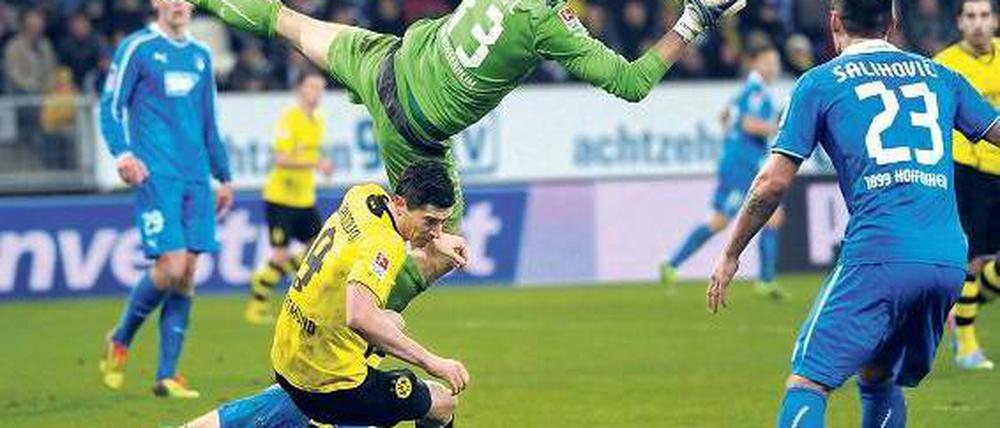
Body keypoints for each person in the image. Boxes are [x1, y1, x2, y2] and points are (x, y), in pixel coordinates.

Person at [185, 0, 748, 313]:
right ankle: (351, 328)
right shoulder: (548, 26)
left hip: (384, 58)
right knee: (437, 248)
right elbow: (631, 82)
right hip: (414, 130)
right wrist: (692, 20)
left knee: (286, 21)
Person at [705, 0, 1000, 426]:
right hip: (947, 262)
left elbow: (771, 184)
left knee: (808, 382)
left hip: (879, 255)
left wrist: (732, 252)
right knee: (880, 376)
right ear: (894, 22)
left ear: (835, 22)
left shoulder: (820, 84)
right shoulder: (942, 76)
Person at [185, 161, 469, 428]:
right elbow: (359, 317)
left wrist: (436, 239)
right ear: (400, 204)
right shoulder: (386, 246)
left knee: (393, 321)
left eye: (441, 223)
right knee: (443, 403)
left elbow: (377, 240)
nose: (436, 232)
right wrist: (433, 362)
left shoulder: (362, 195)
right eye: (430, 222)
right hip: (328, 385)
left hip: (287, 354)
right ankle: (327, 418)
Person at [98, 0, 233, 399]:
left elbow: (210, 120)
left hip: (196, 178)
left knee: (188, 272)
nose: (178, 4)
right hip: (157, 173)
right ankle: (121, 337)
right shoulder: (137, 47)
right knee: (171, 267)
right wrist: (122, 153)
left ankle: (167, 376)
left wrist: (222, 175)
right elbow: (111, 105)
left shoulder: (200, 55)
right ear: (156, 3)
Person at [660, 38, 786, 299]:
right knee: (720, 221)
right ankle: (671, 264)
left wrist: (733, 134)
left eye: (775, 62)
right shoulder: (756, 91)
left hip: (745, 159)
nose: (774, 67)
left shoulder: (747, 90)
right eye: (768, 62)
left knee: (774, 216)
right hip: (742, 163)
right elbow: (750, 124)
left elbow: (724, 117)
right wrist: (780, 128)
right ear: (754, 63)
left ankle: (765, 280)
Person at [933, 0, 1000, 371]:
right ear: (959, 23)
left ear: (995, 20)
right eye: (970, 16)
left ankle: (963, 305)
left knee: (988, 267)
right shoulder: (944, 64)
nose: (978, 23)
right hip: (967, 169)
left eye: (984, 15)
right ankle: (967, 345)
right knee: (973, 260)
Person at [245, 71, 334, 325]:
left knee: (318, 249)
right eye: (312, 87)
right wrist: (316, 163)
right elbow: (281, 159)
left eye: (320, 88)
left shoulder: (318, 121)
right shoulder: (290, 118)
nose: (317, 93)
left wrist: (318, 166)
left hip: (304, 199)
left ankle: (265, 275)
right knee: (282, 255)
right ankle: (256, 305)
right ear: (300, 91)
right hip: (281, 198)